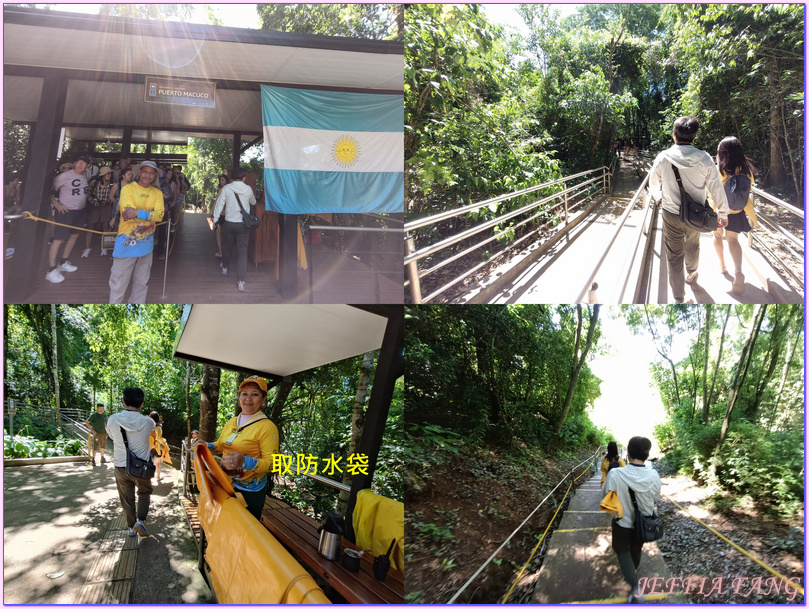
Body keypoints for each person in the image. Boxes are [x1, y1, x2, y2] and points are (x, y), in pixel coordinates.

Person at [649, 116, 729, 303]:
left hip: (671, 213)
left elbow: (653, 183)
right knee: (693, 243)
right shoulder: (705, 159)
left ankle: (678, 298)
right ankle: (691, 274)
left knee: (674, 255)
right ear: (695, 136)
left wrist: (658, 196)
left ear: (674, 135)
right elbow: (716, 188)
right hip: (696, 214)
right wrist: (723, 213)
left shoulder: (663, 158)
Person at [196, 376, 279, 520]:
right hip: (225, 483)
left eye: (255, 394)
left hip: (249, 492)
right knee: (223, 525)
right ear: (239, 396)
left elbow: (272, 464)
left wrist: (244, 461)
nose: (248, 398)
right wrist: (207, 445)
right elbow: (221, 444)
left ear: (263, 399)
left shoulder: (268, 427)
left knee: (243, 534)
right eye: (244, 394)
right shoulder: (233, 421)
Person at [602, 436, 661, 604]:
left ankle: (636, 588)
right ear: (647, 455)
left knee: (622, 551)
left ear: (627, 454)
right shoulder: (654, 476)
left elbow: (605, 497)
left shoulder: (615, 474)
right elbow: (655, 498)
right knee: (636, 549)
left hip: (622, 523)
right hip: (644, 524)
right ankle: (632, 573)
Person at [108, 160, 164, 304]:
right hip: (126, 248)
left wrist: (137, 212)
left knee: (141, 285)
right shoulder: (127, 189)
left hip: (146, 249)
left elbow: (159, 216)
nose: (148, 175)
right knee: (118, 286)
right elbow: (127, 214)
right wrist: (148, 215)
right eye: (145, 171)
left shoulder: (157, 192)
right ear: (139, 172)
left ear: (155, 175)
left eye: (151, 173)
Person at [711, 136, 759, 295]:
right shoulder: (747, 169)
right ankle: (738, 272)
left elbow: (711, 190)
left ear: (722, 152)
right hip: (738, 210)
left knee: (718, 238)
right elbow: (749, 187)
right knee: (733, 240)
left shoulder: (720, 169)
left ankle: (723, 267)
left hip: (719, 211)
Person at [106, 387, 156, 538]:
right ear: (141, 404)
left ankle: (130, 528)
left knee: (127, 498)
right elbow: (153, 432)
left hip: (121, 466)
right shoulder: (148, 422)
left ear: (123, 401)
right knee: (144, 492)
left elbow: (112, 437)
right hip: (141, 467)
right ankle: (140, 521)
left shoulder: (112, 419)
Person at [46, 154, 91, 284]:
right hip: (66, 211)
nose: (80, 164)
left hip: (80, 211)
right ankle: (51, 269)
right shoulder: (63, 176)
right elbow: (50, 191)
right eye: (78, 161)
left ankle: (63, 261)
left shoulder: (85, 175)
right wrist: (56, 204)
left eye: (83, 162)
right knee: (59, 239)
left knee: (74, 236)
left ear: (88, 165)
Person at [212, 167, 257, 292]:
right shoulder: (247, 189)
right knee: (242, 251)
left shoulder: (226, 188)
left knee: (227, 246)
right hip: (243, 224)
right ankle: (241, 281)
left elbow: (219, 205)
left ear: (232, 178)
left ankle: (225, 267)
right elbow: (253, 202)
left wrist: (215, 220)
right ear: (244, 178)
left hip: (229, 223)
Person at [82, 166, 114, 258]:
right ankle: (87, 248)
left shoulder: (111, 184)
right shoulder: (94, 183)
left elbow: (112, 196)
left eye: (110, 174)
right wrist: (94, 201)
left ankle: (104, 247)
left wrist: (107, 202)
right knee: (90, 227)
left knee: (105, 227)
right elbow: (88, 194)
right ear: (103, 175)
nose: (110, 175)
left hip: (106, 207)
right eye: (108, 174)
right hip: (94, 207)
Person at [211, 174, 229, 259]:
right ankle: (224, 251)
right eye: (220, 180)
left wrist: (212, 213)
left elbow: (217, 203)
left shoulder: (222, 190)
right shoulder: (229, 189)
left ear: (226, 181)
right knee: (224, 234)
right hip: (227, 214)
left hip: (220, 214)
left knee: (218, 234)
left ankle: (220, 252)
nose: (221, 181)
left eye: (222, 180)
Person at [148, 411, 169, 483]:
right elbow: (159, 438)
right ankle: (158, 477)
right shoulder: (158, 427)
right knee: (158, 463)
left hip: (149, 446)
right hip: (157, 447)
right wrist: (164, 441)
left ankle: (149, 478)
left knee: (149, 462)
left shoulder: (147, 426)